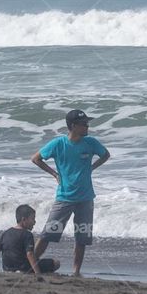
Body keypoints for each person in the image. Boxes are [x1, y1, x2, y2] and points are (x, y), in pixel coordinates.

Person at [30, 109, 110, 277]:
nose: (87, 126)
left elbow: (106, 155)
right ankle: (30, 265)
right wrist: (54, 173)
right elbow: (36, 158)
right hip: (64, 197)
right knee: (48, 233)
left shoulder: (91, 142)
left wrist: (92, 167)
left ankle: (76, 272)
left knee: (81, 237)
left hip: (86, 199)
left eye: (87, 123)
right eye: (84, 124)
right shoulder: (58, 144)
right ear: (73, 126)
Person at [0, 204, 60, 278]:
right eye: (32, 219)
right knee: (56, 263)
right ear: (24, 219)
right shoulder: (27, 234)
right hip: (24, 268)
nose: (34, 222)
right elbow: (30, 254)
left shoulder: (6, 232)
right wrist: (37, 273)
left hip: (7, 268)